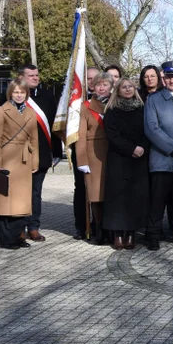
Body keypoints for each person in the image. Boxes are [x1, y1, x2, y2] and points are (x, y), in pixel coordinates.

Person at [144, 61, 173, 250]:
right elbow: (151, 129)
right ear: (163, 78)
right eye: (169, 77)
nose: (172, 80)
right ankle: (153, 234)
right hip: (161, 159)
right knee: (157, 201)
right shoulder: (153, 100)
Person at [0, 80, 39, 249]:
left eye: (22, 92)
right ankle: (7, 240)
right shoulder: (0, 111)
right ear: (10, 93)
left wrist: (35, 161)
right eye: (16, 92)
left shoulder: (31, 113)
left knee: (21, 203)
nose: (19, 95)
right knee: (5, 201)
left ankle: (18, 236)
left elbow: (34, 139)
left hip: (25, 160)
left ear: (27, 94)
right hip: (7, 160)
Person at [103, 78, 149, 250]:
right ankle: (117, 235)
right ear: (118, 90)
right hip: (119, 159)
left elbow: (149, 130)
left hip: (139, 159)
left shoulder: (142, 108)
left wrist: (142, 148)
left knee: (134, 198)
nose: (128, 89)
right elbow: (112, 135)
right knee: (118, 199)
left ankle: (130, 233)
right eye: (124, 87)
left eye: (131, 86)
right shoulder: (112, 110)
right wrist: (131, 148)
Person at [16, 64, 58, 243]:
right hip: (18, 154)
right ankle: (19, 228)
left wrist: (56, 151)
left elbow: (54, 125)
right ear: (21, 77)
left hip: (41, 153)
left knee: (35, 192)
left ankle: (33, 227)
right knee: (19, 192)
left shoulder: (47, 95)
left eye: (36, 75)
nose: (35, 78)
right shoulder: (13, 95)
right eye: (31, 75)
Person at [76, 75, 113, 245]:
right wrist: (82, 160)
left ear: (111, 86)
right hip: (93, 155)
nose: (101, 88)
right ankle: (99, 229)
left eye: (105, 84)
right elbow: (81, 136)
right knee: (96, 194)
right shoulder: (86, 106)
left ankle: (112, 229)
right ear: (93, 87)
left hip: (113, 153)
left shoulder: (116, 103)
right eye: (98, 85)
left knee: (111, 194)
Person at [72, 64, 101, 238]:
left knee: (100, 191)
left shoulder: (108, 99)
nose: (91, 82)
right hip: (82, 149)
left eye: (94, 79)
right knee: (82, 189)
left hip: (101, 153)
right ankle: (81, 227)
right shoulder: (75, 101)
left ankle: (99, 226)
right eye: (88, 78)